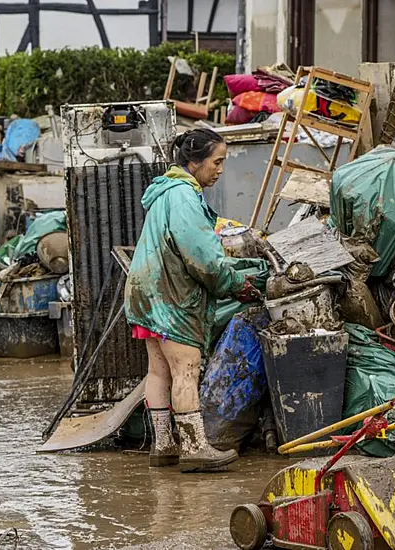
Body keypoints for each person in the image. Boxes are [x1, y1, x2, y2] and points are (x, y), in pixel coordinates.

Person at [124, 128, 261, 471]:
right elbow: (204, 260)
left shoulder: (166, 192)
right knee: (186, 369)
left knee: (158, 372)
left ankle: (164, 446)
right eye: (217, 162)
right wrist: (236, 284)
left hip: (144, 291)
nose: (219, 169)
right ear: (194, 162)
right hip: (169, 295)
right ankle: (195, 448)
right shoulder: (184, 196)